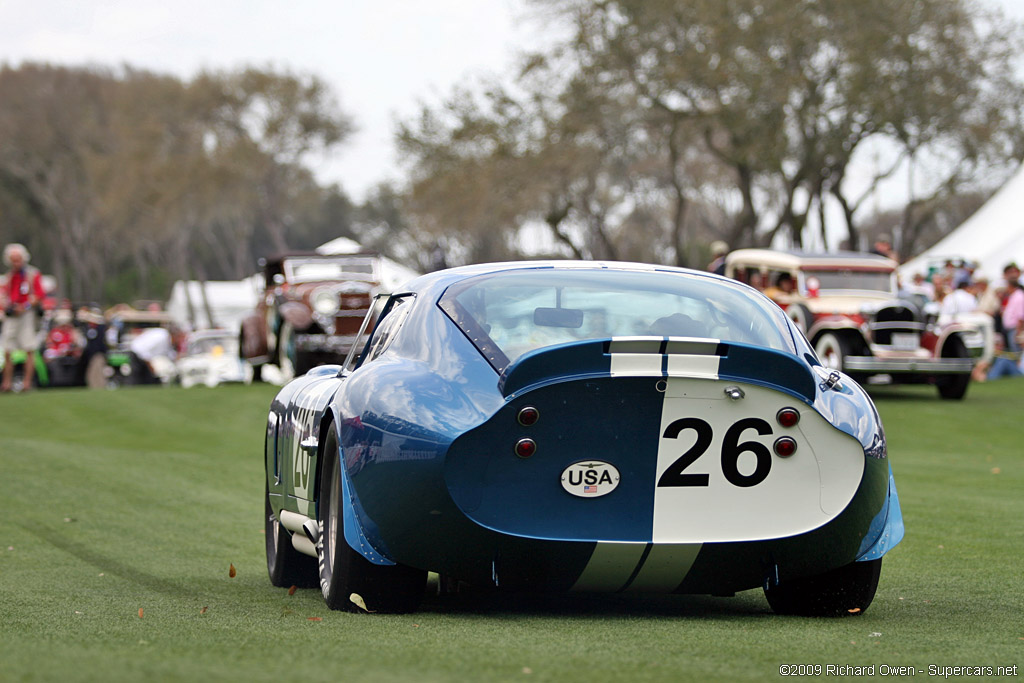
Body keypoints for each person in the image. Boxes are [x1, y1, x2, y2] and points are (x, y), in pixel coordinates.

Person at [1, 243, 46, 392]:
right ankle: (6, 383)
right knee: (8, 349)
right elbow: (5, 296)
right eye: (13, 260)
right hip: (12, 315)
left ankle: (27, 383)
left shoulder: (32, 274)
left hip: (27, 314)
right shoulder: (8, 277)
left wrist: (24, 306)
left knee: (29, 349)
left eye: (18, 259)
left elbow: (39, 295)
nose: (16, 262)